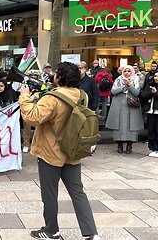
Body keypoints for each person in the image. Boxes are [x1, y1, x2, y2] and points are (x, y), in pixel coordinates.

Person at [19, 62, 100, 240]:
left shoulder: (53, 98)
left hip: (51, 152)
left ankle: (51, 230)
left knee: (49, 194)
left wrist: (24, 97)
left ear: (59, 77)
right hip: (73, 151)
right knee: (78, 193)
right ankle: (91, 233)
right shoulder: (81, 95)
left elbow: (32, 118)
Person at [106, 65, 144, 154]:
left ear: (132, 72)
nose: (127, 73)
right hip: (118, 105)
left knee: (131, 126)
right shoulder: (118, 79)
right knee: (118, 125)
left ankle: (129, 145)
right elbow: (113, 91)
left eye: (129, 71)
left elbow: (137, 92)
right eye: (125, 71)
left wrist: (130, 85)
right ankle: (119, 144)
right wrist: (122, 87)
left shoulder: (136, 79)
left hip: (131, 106)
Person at [140, 72, 158, 158]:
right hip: (150, 111)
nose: (156, 78)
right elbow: (143, 96)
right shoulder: (149, 85)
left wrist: (155, 93)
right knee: (151, 130)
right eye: (155, 76)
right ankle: (153, 148)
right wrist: (151, 92)